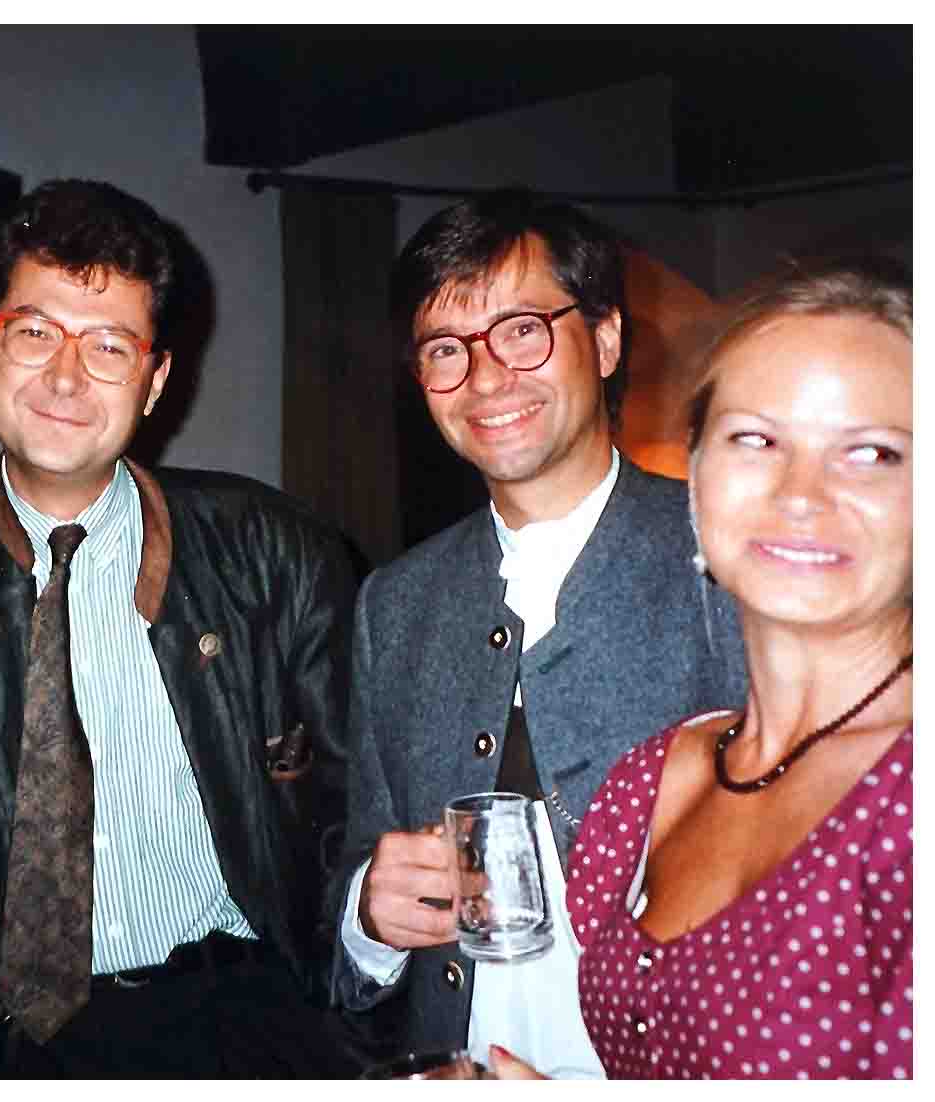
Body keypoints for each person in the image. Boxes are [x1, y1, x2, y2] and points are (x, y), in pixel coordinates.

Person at [0, 179, 359, 1078]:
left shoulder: (272, 552)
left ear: (155, 381)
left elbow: (357, 807)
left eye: (110, 346)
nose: (66, 377)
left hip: (237, 1022)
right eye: (35, 332)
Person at [332, 189, 747, 1075]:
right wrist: (368, 916)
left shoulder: (729, 559)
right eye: (445, 348)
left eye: (522, 330)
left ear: (605, 339)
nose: (485, 379)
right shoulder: (393, 604)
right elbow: (364, 853)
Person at [493, 258, 914, 1080]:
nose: (800, 494)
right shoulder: (646, 784)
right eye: (754, 439)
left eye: (870, 453)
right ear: (694, 474)